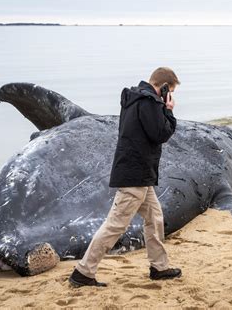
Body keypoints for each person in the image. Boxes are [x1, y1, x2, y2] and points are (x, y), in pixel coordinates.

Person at [68, 67, 182, 287]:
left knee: (154, 219)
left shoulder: (134, 98)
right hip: (135, 175)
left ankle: (159, 267)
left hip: (139, 174)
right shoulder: (149, 102)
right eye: (171, 91)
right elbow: (160, 134)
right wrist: (168, 110)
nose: (171, 96)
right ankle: (83, 272)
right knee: (115, 225)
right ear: (164, 87)